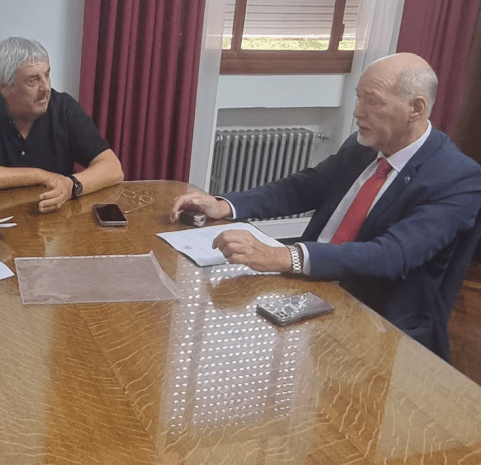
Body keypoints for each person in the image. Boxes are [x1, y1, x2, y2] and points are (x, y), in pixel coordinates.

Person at [171, 53, 481, 360]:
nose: (357, 112)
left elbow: (391, 255)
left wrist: (282, 256)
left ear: (416, 108)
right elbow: (303, 188)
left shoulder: (458, 178)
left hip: (376, 327)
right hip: (309, 286)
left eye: (372, 101)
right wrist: (224, 205)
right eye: (358, 97)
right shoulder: (363, 146)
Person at [0, 36, 124, 213]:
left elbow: (113, 168)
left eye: (47, 75)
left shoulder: (64, 108)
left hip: (53, 220)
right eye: (33, 80)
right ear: (4, 86)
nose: (46, 87)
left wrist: (71, 185)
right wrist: (38, 175)